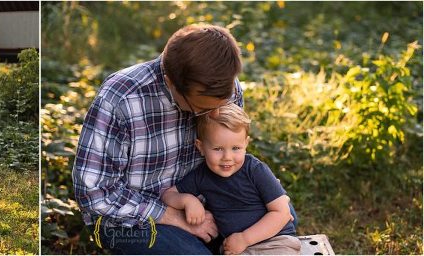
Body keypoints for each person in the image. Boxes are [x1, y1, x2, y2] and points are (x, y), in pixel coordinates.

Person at [73, 24, 244, 254]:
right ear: (171, 82)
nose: (214, 115)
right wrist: (174, 217)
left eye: (220, 106)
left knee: (281, 223)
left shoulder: (223, 87)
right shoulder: (121, 98)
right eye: (202, 109)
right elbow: (95, 193)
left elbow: (230, 155)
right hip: (130, 219)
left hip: (200, 205)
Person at [162, 103, 300, 255]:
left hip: (274, 242)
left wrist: (245, 239)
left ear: (245, 144)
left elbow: (281, 213)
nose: (227, 158)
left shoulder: (255, 170)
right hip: (236, 248)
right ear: (200, 147)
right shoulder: (201, 175)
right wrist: (188, 200)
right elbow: (168, 195)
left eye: (236, 148)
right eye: (218, 149)